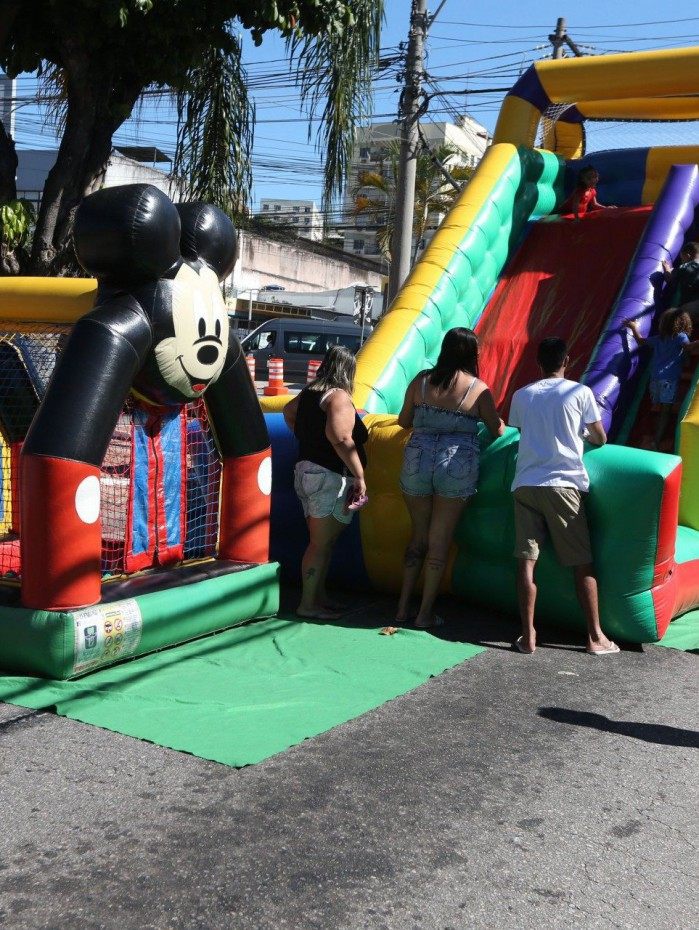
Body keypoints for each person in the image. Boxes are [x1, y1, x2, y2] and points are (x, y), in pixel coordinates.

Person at [509, 336, 618, 656]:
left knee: (526, 564)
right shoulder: (580, 392)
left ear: (538, 363)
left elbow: (520, 430)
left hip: (526, 483)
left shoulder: (522, 394)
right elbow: (600, 437)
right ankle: (595, 636)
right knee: (582, 563)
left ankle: (527, 635)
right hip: (564, 484)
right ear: (566, 361)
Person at [395, 327, 504, 629]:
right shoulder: (478, 389)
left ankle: (402, 607)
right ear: (472, 354)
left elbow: (404, 421)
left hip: (417, 458)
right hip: (456, 461)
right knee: (439, 542)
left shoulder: (422, 381)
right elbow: (497, 429)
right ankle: (424, 614)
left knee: (417, 537)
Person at [283, 344, 368, 620]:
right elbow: (341, 438)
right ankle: (307, 604)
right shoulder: (338, 397)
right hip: (328, 475)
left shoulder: (310, 393)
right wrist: (360, 475)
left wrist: (306, 436)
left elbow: (287, 410)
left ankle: (318, 596)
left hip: (306, 472)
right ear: (348, 370)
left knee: (324, 542)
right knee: (320, 543)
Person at [624, 309, 699, 450]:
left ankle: (652, 432)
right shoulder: (681, 337)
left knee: (659, 405)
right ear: (684, 323)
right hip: (669, 379)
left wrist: (634, 327)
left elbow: (640, 341)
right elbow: (688, 348)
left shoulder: (659, 338)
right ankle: (657, 440)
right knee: (666, 410)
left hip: (654, 378)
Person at [661, 241, 699, 321]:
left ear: (687, 255)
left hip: (694, 305)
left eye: (682, 259)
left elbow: (670, 279)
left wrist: (666, 269)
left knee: (673, 315)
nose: (682, 262)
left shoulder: (687, 266)